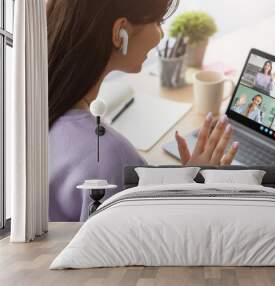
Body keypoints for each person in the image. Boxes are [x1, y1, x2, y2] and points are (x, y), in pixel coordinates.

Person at [47, 0, 239, 222]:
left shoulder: (39, 108)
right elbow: (150, 248)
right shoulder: (111, 156)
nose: (161, 34)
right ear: (120, 33)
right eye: (158, 21)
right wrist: (197, 189)